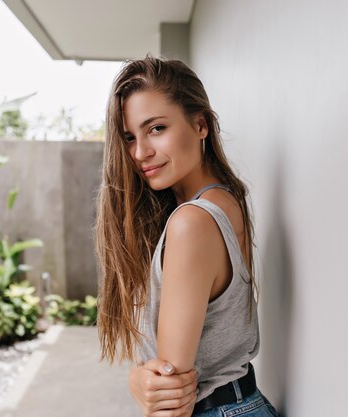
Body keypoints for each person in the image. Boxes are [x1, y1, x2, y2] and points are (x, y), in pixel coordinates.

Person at [95, 55, 279, 417]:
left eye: (157, 128)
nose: (140, 152)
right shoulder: (224, 199)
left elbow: (171, 394)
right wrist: (138, 377)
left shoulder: (192, 221)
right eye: (130, 137)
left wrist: (141, 379)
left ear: (201, 125)